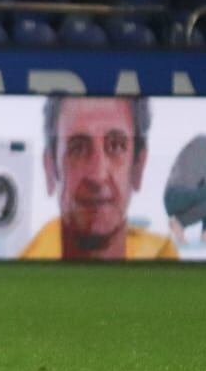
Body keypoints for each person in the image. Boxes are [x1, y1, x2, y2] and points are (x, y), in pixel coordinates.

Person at [21, 96, 178, 261]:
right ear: (50, 168)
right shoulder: (20, 273)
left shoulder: (165, 259)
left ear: (138, 166)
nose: (98, 175)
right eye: (78, 148)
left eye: (116, 146)